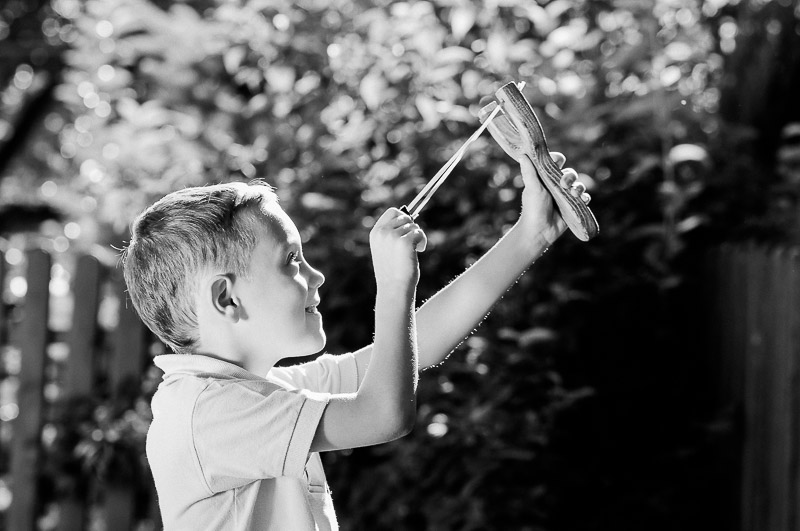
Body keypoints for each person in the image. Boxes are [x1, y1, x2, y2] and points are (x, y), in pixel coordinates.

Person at [122, 154, 590, 530]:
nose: (315, 275)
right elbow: (384, 415)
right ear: (227, 298)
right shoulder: (209, 415)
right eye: (290, 260)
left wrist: (531, 234)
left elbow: (417, 345)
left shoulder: (260, 392)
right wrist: (392, 286)